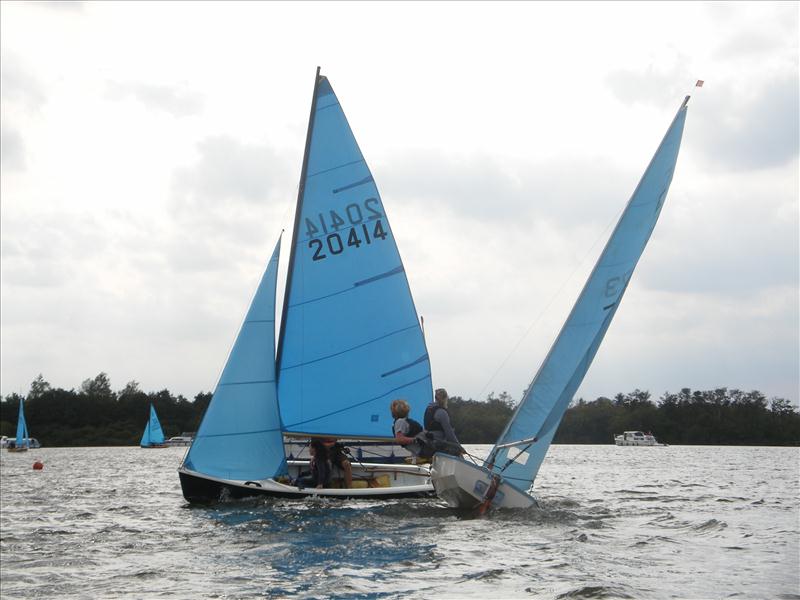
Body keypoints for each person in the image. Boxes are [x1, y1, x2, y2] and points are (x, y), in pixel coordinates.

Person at [422, 388, 463, 457]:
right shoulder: (442, 412)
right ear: (445, 398)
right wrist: (460, 447)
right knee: (457, 451)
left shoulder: (428, 409)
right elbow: (449, 434)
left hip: (428, 443)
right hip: (438, 444)